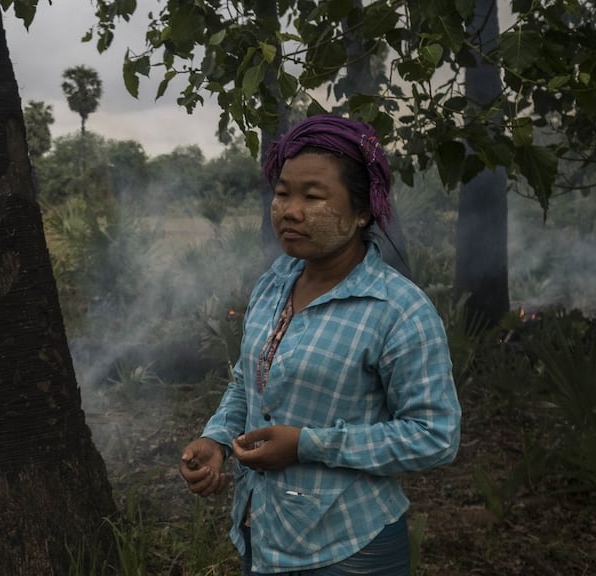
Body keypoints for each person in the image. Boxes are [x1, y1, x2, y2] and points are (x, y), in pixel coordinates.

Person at [179, 114, 461, 576]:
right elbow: (248, 382)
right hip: (266, 534)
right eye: (283, 192)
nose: (289, 211)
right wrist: (216, 441)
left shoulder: (398, 310)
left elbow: (435, 436)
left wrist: (308, 445)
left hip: (350, 548)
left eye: (313, 197)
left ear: (363, 211)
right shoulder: (274, 284)